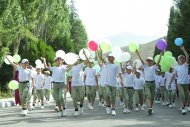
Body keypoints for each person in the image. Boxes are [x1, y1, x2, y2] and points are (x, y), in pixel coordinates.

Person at [136, 50, 163, 115]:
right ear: (146, 62)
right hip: (147, 83)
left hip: (153, 84)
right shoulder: (145, 66)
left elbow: (158, 62)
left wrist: (160, 55)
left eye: (150, 60)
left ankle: (151, 108)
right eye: (148, 60)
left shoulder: (154, 67)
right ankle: (149, 108)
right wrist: (137, 53)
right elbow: (141, 60)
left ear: (152, 61)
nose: (149, 61)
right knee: (148, 95)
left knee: (152, 97)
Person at [100, 51, 123, 116]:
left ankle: (113, 110)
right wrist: (101, 50)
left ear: (113, 58)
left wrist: (122, 80)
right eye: (108, 57)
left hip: (114, 83)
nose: (109, 58)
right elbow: (101, 58)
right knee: (107, 94)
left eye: (110, 57)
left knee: (113, 97)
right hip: (107, 82)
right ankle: (108, 107)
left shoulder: (116, 66)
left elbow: (120, 73)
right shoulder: (106, 64)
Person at [170, 46, 189, 115]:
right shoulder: (176, 67)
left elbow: (187, 56)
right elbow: (173, 75)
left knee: (187, 96)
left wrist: (183, 49)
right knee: (182, 95)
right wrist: (169, 83)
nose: (182, 59)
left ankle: (184, 105)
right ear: (178, 60)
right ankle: (183, 108)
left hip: (186, 83)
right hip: (179, 83)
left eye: (183, 58)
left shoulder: (185, 65)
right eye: (181, 59)